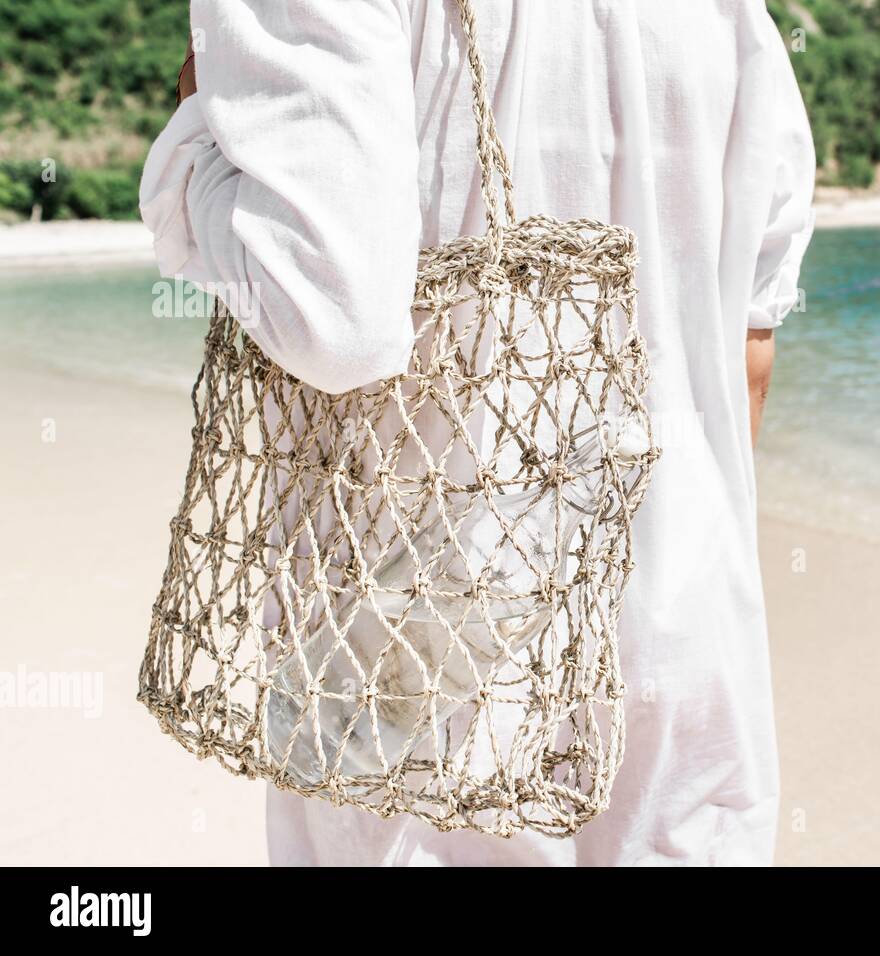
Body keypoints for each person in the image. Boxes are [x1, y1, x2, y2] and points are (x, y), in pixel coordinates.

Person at [140, 0, 815, 866]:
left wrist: (196, 154)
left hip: (417, 687)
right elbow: (749, 349)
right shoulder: (734, 14)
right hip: (686, 654)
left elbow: (332, 323)